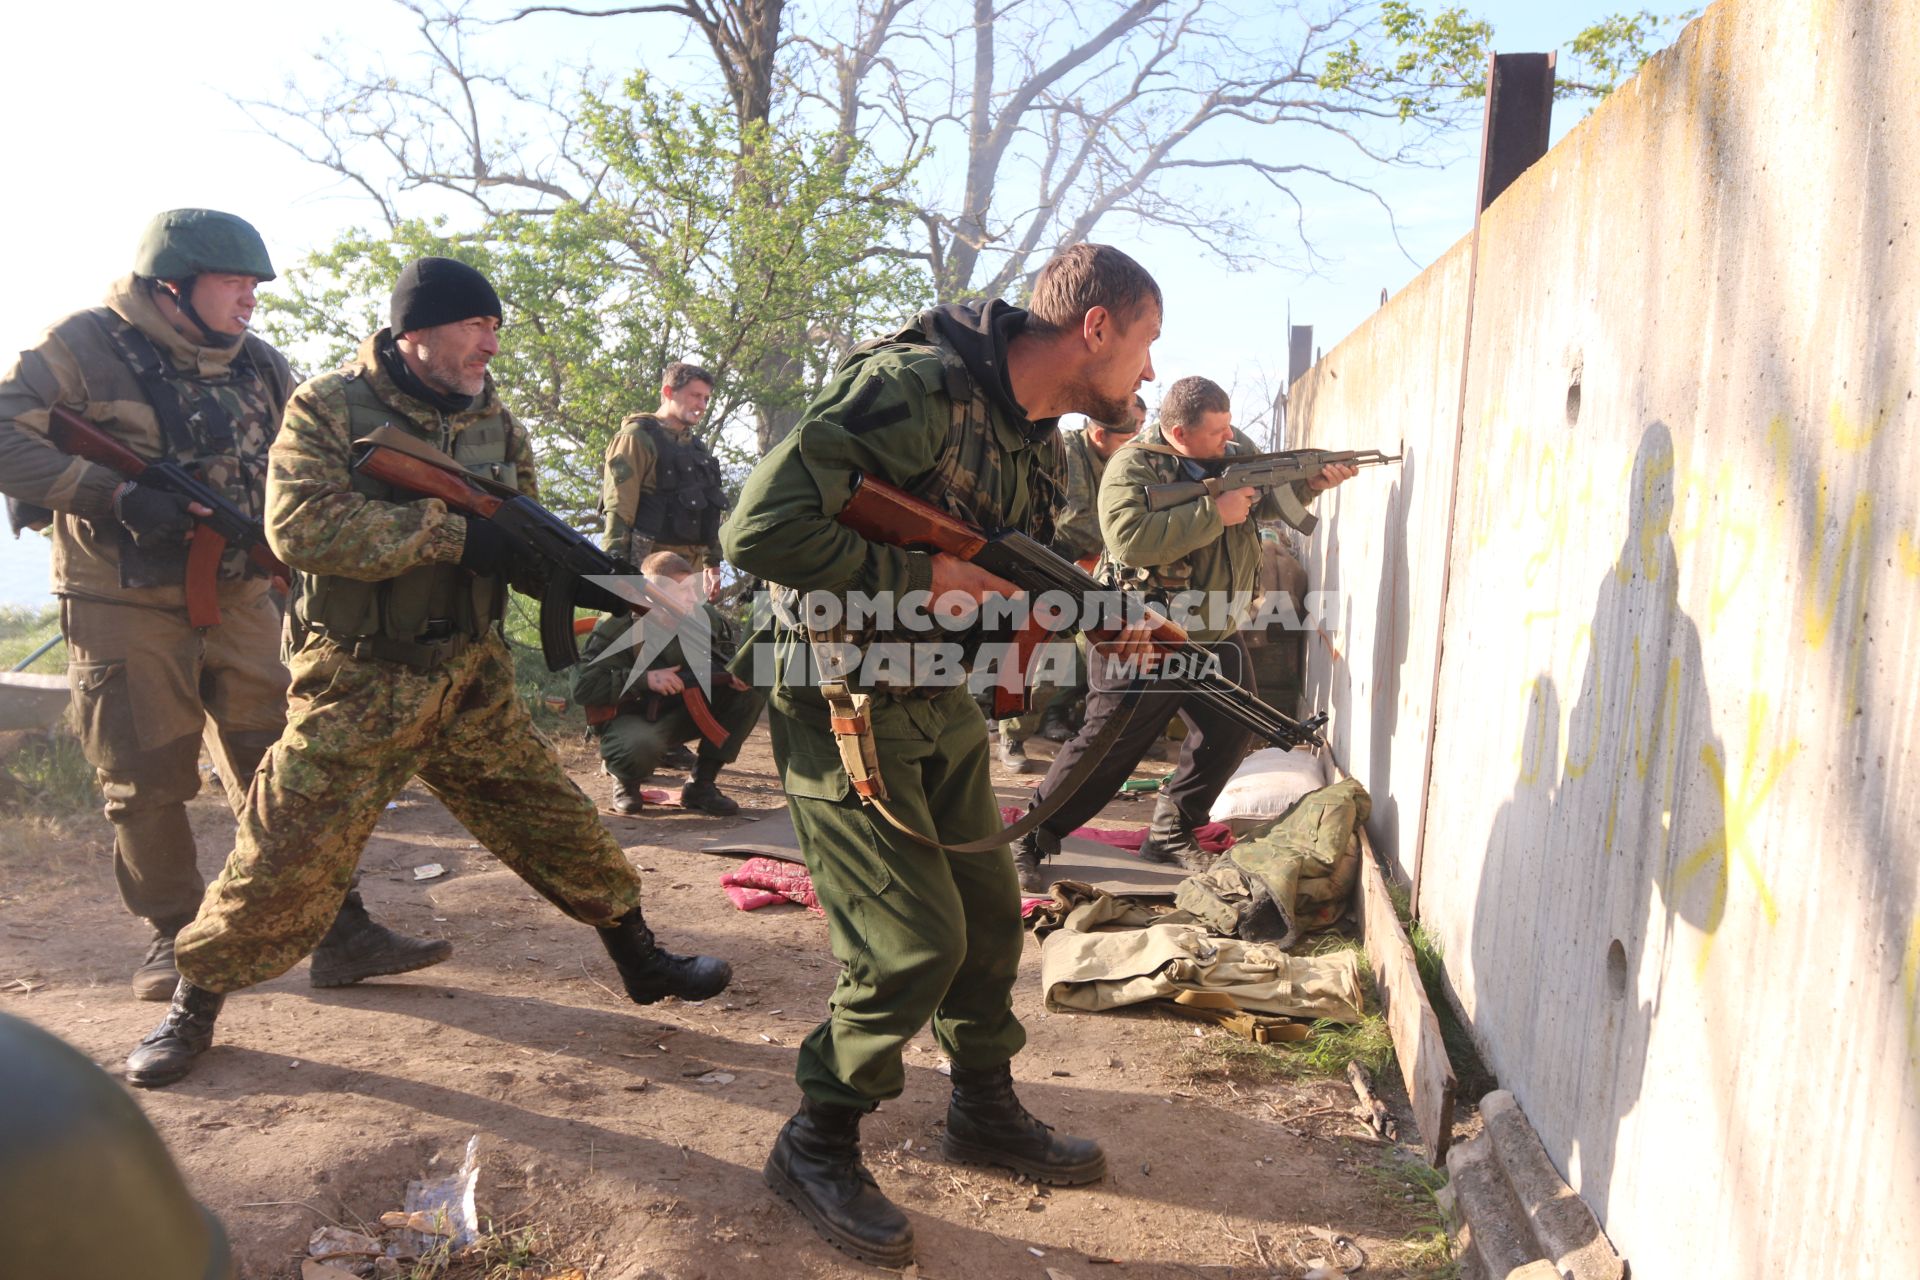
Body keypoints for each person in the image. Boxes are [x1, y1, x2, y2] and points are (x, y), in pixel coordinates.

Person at [122, 257, 731, 1088]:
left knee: (557, 823)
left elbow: (517, 539)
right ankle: (192, 1008)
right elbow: (299, 527)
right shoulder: (330, 406)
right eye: (474, 326)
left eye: (494, 328)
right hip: (358, 678)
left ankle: (641, 958)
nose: (490, 343)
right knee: (280, 849)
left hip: (468, 677)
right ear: (418, 331)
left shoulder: (498, 423)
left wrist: (584, 585)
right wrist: (448, 535)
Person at [721, 243, 1162, 1268]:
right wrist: (920, 574)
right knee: (909, 943)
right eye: (1144, 342)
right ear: (1093, 327)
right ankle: (815, 1139)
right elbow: (759, 528)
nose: (1147, 371)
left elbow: (1007, 575)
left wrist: (1096, 617)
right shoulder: (912, 388)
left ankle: (984, 1106)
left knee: (988, 915)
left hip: (931, 692)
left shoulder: (1035, 440)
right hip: (840, 690)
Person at [0, 209, 444, 1000]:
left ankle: (336, 927)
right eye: (235, 284)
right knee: (146, 776)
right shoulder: (81, 347)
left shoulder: (262, 365)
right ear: (172, 285)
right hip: (121, 597)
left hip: (240, 589)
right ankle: (174, 935)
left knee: (284, 763)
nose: (250, 301)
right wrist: (116, 494)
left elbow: (308, 462)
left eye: (254, 286)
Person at [1009, 375, 1355, 893]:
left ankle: (1172, 830)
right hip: (1143, 629)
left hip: (1213, 626)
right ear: (1176, 432)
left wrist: (1310, 483)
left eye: (1228, 424)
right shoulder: (1134, 465)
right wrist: (1213, 513)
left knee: (1232, 727)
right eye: (1215, 431)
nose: (1229, 436)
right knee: (1109, 745)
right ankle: (1030, 837)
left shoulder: (1236, 452)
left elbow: (1263, 500)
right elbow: (1127, 541)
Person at [995, 390, 1150, 760]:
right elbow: (1076, 521)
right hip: (1047, 563)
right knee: (1041, 654)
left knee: (1084, 654)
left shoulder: (1126, 461)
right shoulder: (1071, 452)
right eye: (1131, 434)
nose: (1138, 441)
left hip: (1087, 568)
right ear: (1099, 435)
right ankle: (1012, 735)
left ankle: (1056, 717)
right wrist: (1128, 539)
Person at [572, 550, 765, 816]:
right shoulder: (619, 623)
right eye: (681, 590)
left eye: (691, 589)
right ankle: (626, 782)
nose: (691, 597)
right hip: (633, 716)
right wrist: (646, 679)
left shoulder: (705, 617)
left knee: (753, 687)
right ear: (654, 592)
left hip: (683, 708)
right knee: (640, 745)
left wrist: (736, 673)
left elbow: (731, 654)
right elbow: (583, 686)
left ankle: (701, 784)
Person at [601, 361, 728, 578]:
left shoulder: (696, 447)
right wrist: (615, 566)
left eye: (706, 398)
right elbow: (620, 506)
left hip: (690, 569)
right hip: (651, 566)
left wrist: (712, 561)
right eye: (695, 395)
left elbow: (709, 507)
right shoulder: (637, 437)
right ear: (668, 392)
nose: (702, 405)